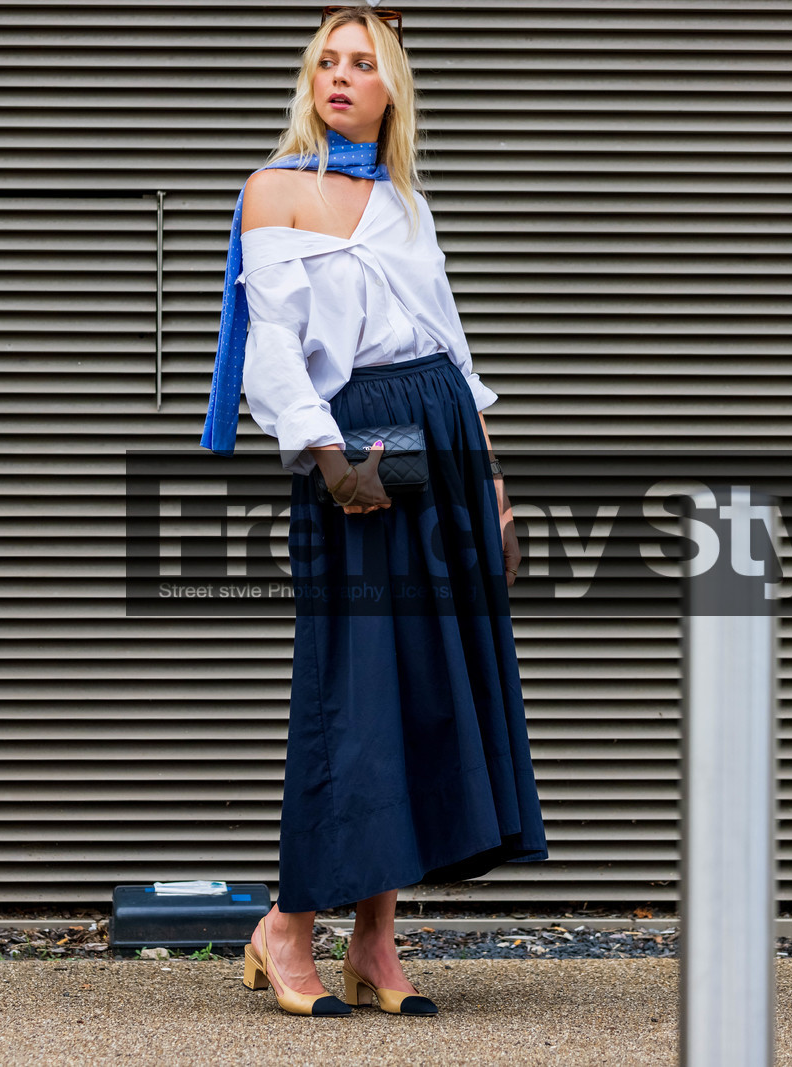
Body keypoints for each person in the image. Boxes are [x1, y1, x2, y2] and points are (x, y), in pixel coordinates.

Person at [202, 6, 548, 1017]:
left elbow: (451, 345)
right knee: (351, 693)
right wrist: (326, 456)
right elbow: (272, 346)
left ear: (392, 86)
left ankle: (376, 942)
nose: (340, 77)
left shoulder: (403, 198)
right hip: (356, 442)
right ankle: (286, 926)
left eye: (362, 63)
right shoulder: (274, 189)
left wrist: (490, 480)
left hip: (437, 433)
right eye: (327, 62)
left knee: (426, 688)